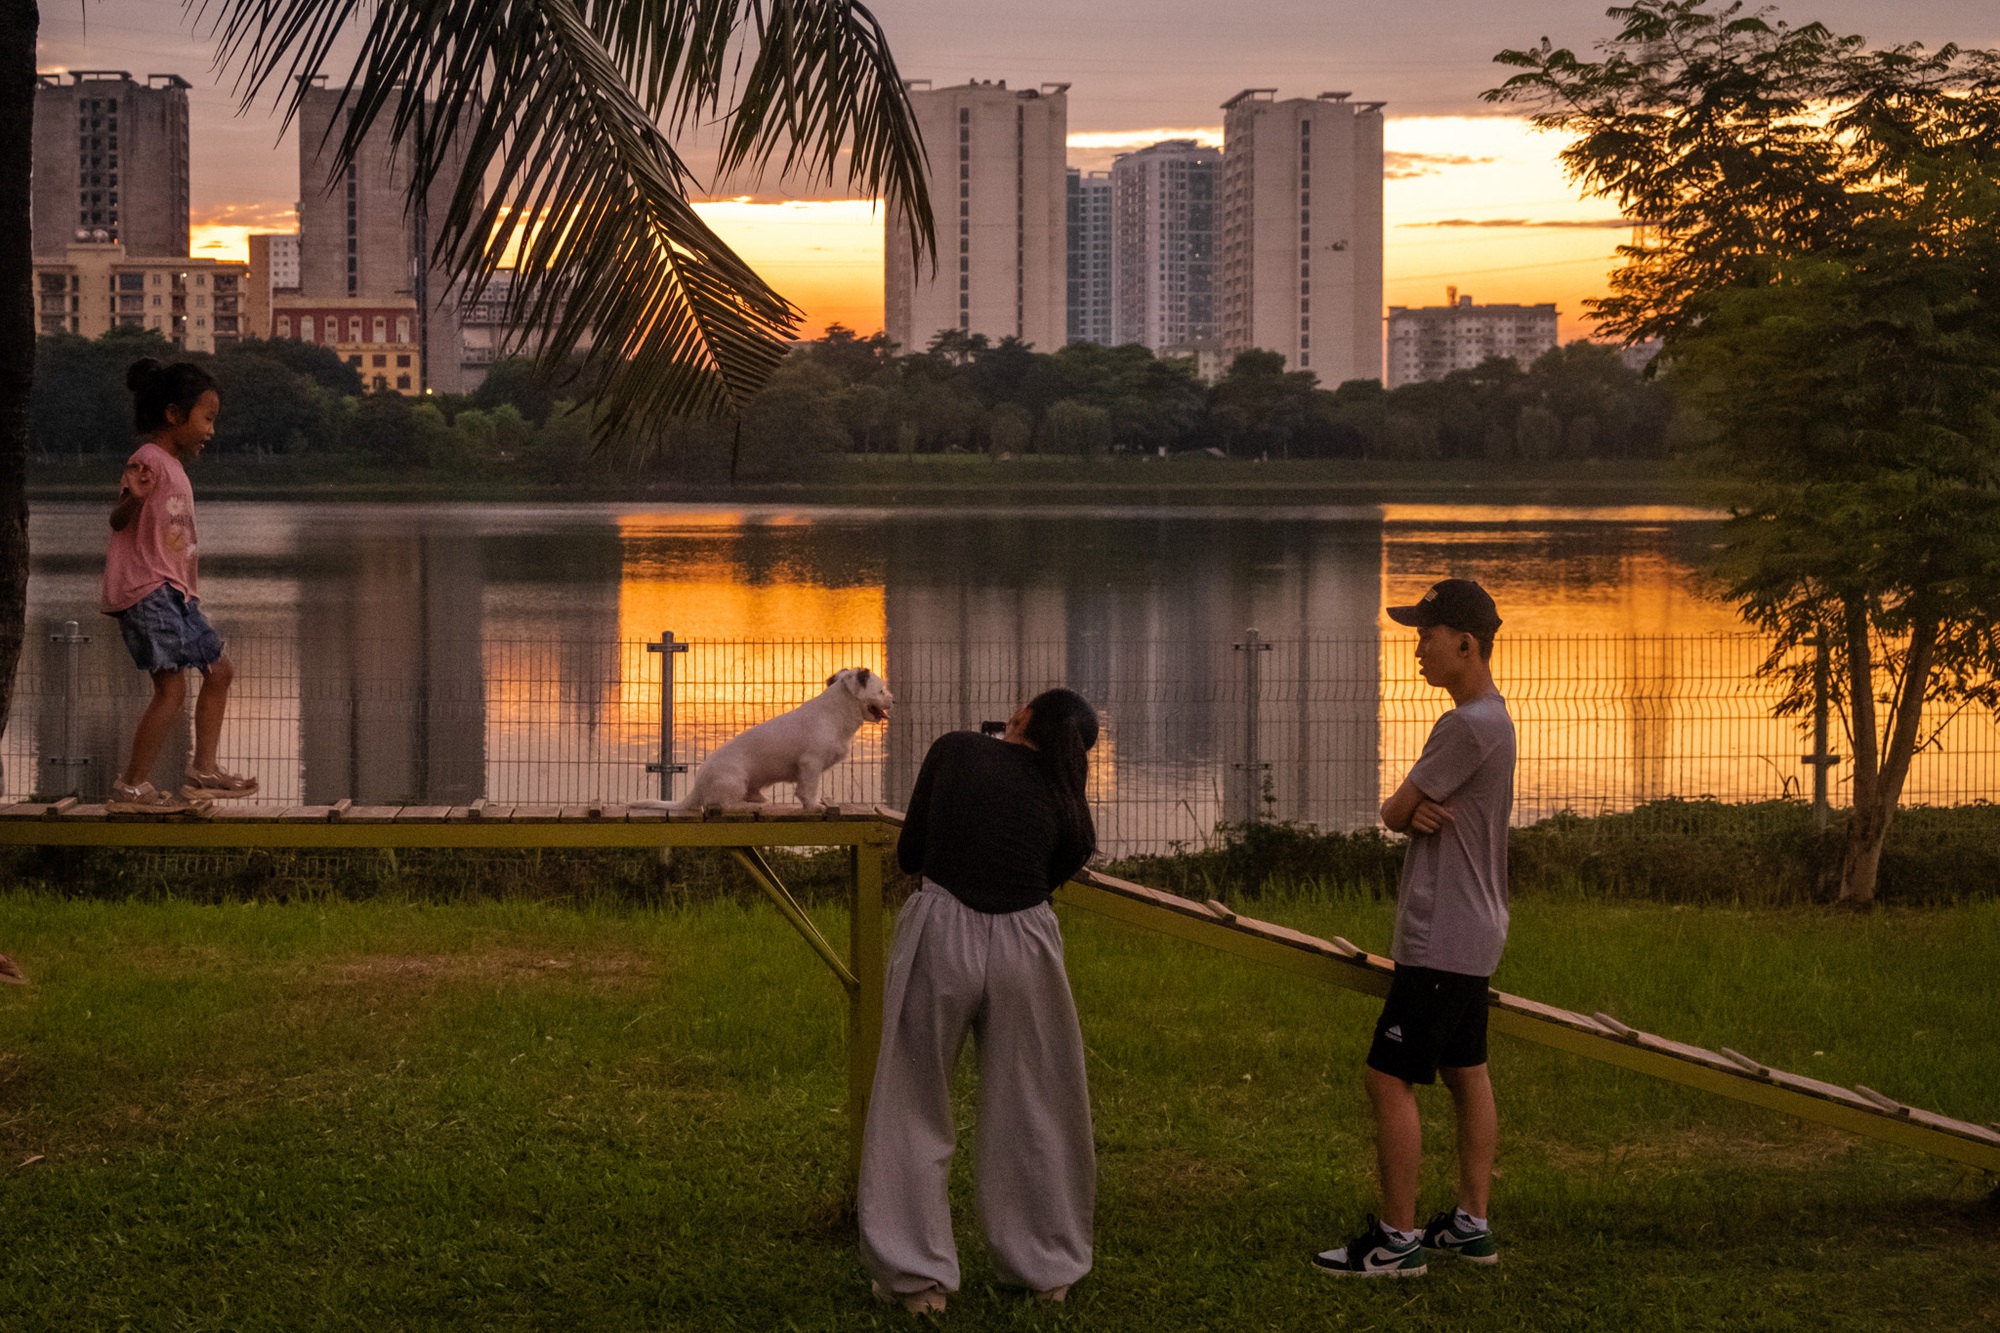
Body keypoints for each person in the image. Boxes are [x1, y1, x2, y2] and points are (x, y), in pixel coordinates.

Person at [860, 688, 1101, 1316]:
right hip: (1029, 940)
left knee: (912, 1099)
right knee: (1038, 1104)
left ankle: (917, 1282)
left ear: (1022, 718)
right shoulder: (1067, 800)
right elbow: (1057, 866)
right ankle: (1046, 1270)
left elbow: (912, 851)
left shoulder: (958, 750)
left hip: (942, 927)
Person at [1316, 578, 1514, 1279]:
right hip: (1479, 928)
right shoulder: (1496, 717)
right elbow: (1407, 808)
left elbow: (1395, 810)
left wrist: (1407, 808)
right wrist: (1410, 807)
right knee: (1466, 1070)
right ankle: (1470, 1222)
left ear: (1467, 642)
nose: (1419, 651)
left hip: (1442, 933)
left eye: (1427, 637)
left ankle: (1396, 1241)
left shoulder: (1464, 726)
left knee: (1386, 1078)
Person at [101, 359, 257, 814]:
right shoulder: (148, 459)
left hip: (176, 594)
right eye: (206, 419)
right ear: (174, 414)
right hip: (148, 590)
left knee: (219, 670)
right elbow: (117, 519)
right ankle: (131, 786)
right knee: (170, 690)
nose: (211, 430)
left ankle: (203, 770)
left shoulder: (170, 464)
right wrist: (131, 498)